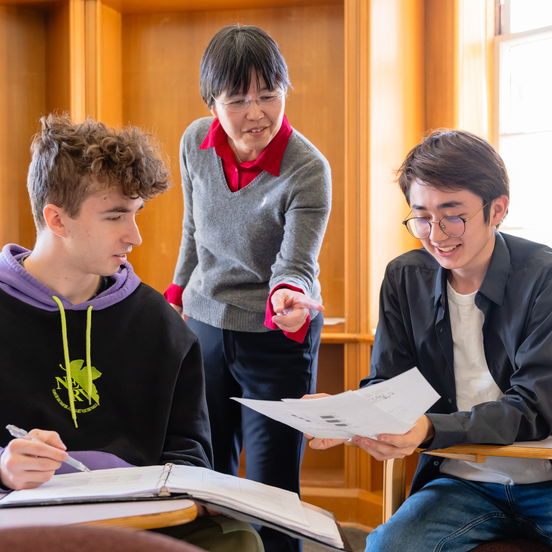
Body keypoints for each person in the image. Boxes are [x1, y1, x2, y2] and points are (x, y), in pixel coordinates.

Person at [0, 113, 263, 552]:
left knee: (237, 540)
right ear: (57, 219)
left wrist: (185, 488)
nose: (135, 236)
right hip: (20, 521)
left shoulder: (158, 322)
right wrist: (4, 467)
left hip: (143, 523)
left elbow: (190, 450)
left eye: (136, 214)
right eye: (115, 216)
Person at [309, 129, 552, 550]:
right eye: (421, 217)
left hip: (545, 480)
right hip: (462, 484)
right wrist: (351, 417)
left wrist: (426, 428)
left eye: (453, 215)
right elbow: (391, 384)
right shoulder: (405, 277)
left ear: (498, 209)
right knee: (387, 546)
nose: (436, 235)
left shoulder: (543, 277)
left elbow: (533, 408)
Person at [164, 24, 331, 552]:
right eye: (238, 99)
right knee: (204, 468)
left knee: (271, 485)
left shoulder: (307, 168)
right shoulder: (195, 140)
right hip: (206, 322)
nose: (256, 112)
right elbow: (193, 230)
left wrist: (288, 295)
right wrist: (175, 294)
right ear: (211, 101)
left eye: (269, 95)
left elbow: (296, 263)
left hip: (275, 330)